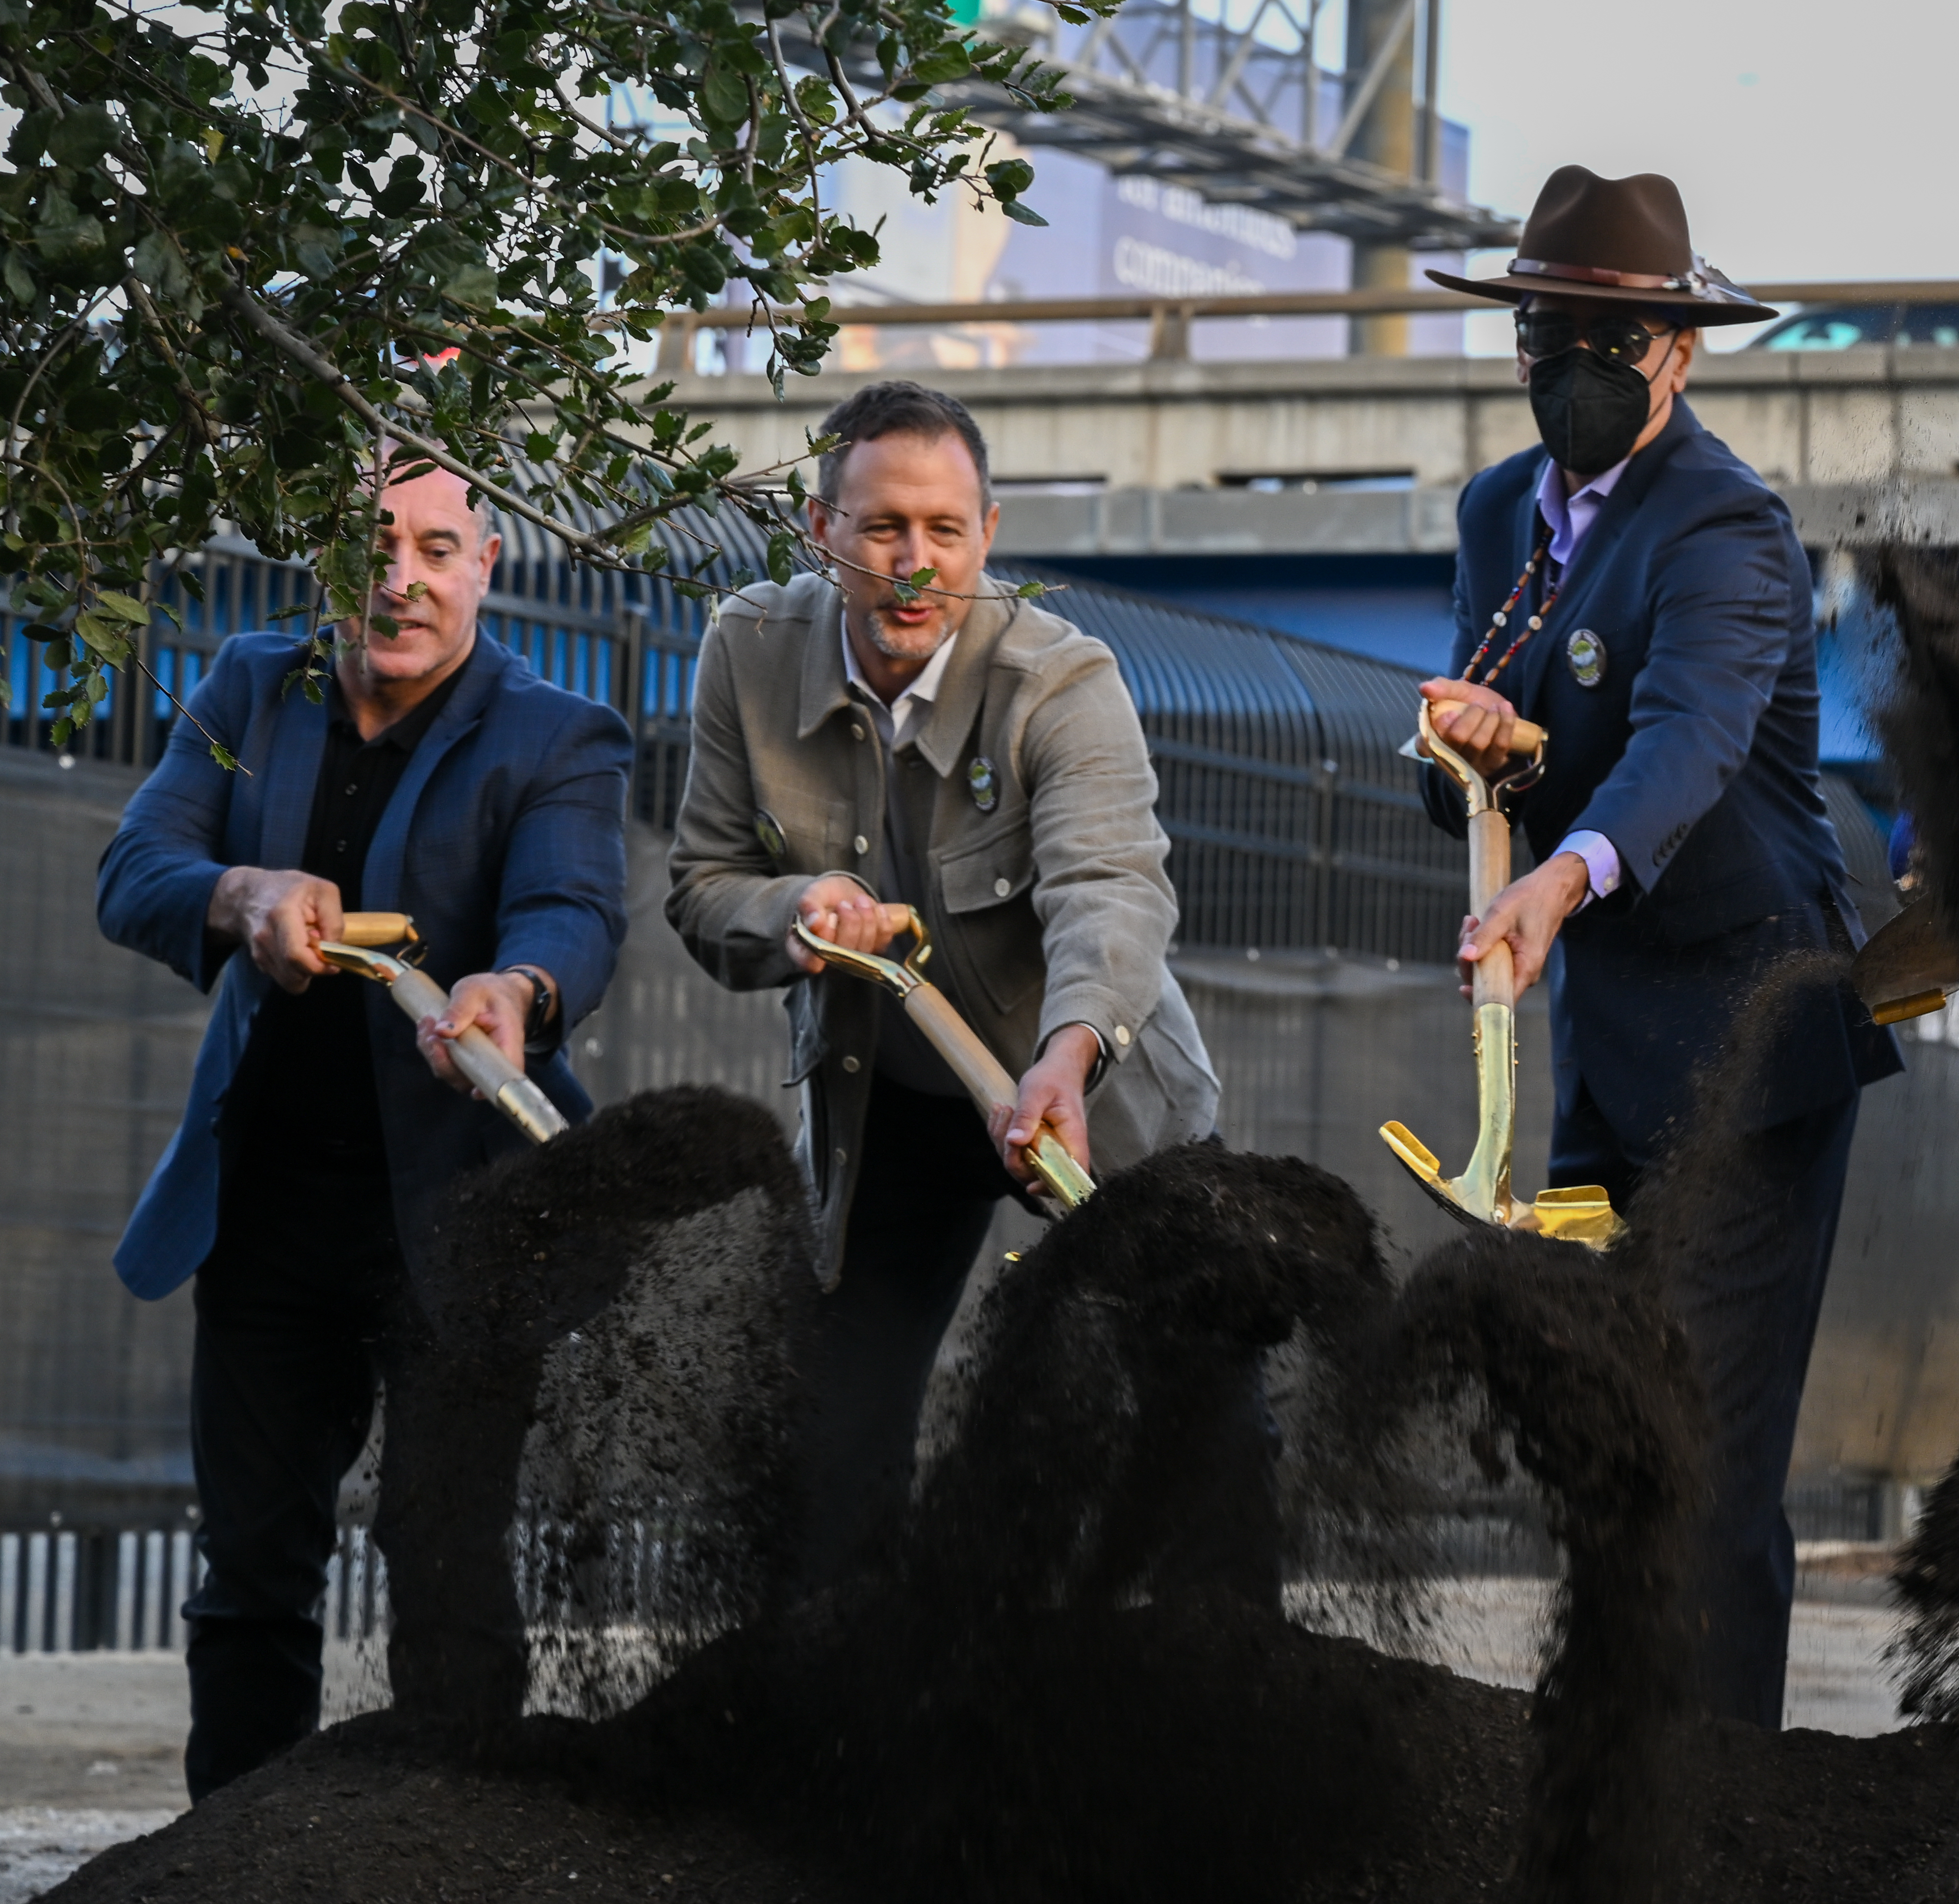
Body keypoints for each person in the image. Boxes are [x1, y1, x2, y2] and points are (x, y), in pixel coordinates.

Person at [1416, 166, 1904, 1730]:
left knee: (1708, 1443)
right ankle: (1606, 1752)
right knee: (1605, 1419)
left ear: (1678, 354)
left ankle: (1711, 1817)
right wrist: (1473, 754)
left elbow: (1683, 753)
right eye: (1545, 331)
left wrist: (1555, 883)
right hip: (1608, 1057)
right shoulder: (1501, 512)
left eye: (1609, 340)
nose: (1571, 364)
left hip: (1754, 1039)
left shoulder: (1728, 528)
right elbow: (1482, 747)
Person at [98, 461, 633, 1798]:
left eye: (435, 547)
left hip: (460, 1212)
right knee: (252, 1567)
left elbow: (573, 914)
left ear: (488, 564)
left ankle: (458, 1874)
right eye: (371, 545)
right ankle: (223, 1874)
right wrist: (242, 891)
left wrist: (515, 991)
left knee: (444, 1552)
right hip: (268, 1206)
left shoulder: (558, 734)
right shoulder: (248, 688)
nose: (401, 578)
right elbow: (135, 866)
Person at [665, 378, 1220, 1589]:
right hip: (894, 1102)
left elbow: (1111, 892)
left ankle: (1241, 1691)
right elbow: (701, 886)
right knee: (835, 1438)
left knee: (1195, 1415)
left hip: (1090, 1099)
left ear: (989, 533)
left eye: (945, 531)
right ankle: (853, 1728)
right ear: (821, 533)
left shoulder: (1060, 680)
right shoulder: (747, 651)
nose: (914, 564)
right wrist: (792, 910)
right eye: (880, 529)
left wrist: (1066, 1061)